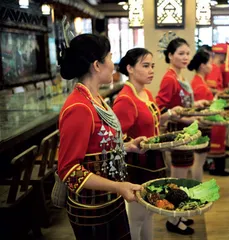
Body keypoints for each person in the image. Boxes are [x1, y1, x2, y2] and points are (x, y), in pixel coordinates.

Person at [58, 34, 144, 240]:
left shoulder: (95, 98)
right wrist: (118, 186)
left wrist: (129, 146)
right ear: (97, 65)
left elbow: (101, 144)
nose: (113, 65)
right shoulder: (79, 107)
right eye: (110, 58)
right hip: (92, 208)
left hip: (109, 200)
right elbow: (68, 170)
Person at [113, 48, 182, 240]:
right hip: (137, 164)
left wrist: (169, 113)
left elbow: (153, 122)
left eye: (152, 66)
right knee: (136, 217)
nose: (151, 70)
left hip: (153, 161)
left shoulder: (146, 93)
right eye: (145, 66)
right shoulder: (126, 100)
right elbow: (115, 140)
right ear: (130, 68)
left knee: (149, 213)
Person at [156, 37, 207, 235]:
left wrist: (196, 108)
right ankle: (172, 219)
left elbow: (182, 106)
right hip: (177, 133)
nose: (186, 57)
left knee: (182, 174)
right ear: (170, 56)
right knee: (176, 177)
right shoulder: (169, 78)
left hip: (186, 132)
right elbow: (161, 109)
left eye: (187, 53)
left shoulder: (181, 76)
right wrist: (187, 119)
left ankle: (179, 214)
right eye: (181, 53)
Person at [188, 50, 214, 181]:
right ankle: (197, 190)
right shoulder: (199, 84)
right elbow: (198, 110)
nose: (212, 66)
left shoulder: (198, 81)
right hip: (201, 125)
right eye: (210, 63)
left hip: (201, 125)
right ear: (202, 65)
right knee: (198, 162)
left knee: (198, 161)